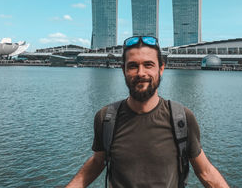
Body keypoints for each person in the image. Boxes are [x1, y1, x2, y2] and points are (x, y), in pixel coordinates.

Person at [66, 36, 229, 188]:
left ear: (161, 68)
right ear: (123, 70)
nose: (141, 73)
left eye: (148, 65)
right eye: (133, 66)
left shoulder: (181, 118)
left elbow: (205, 172)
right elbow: (97, 162)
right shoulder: (106, 117)